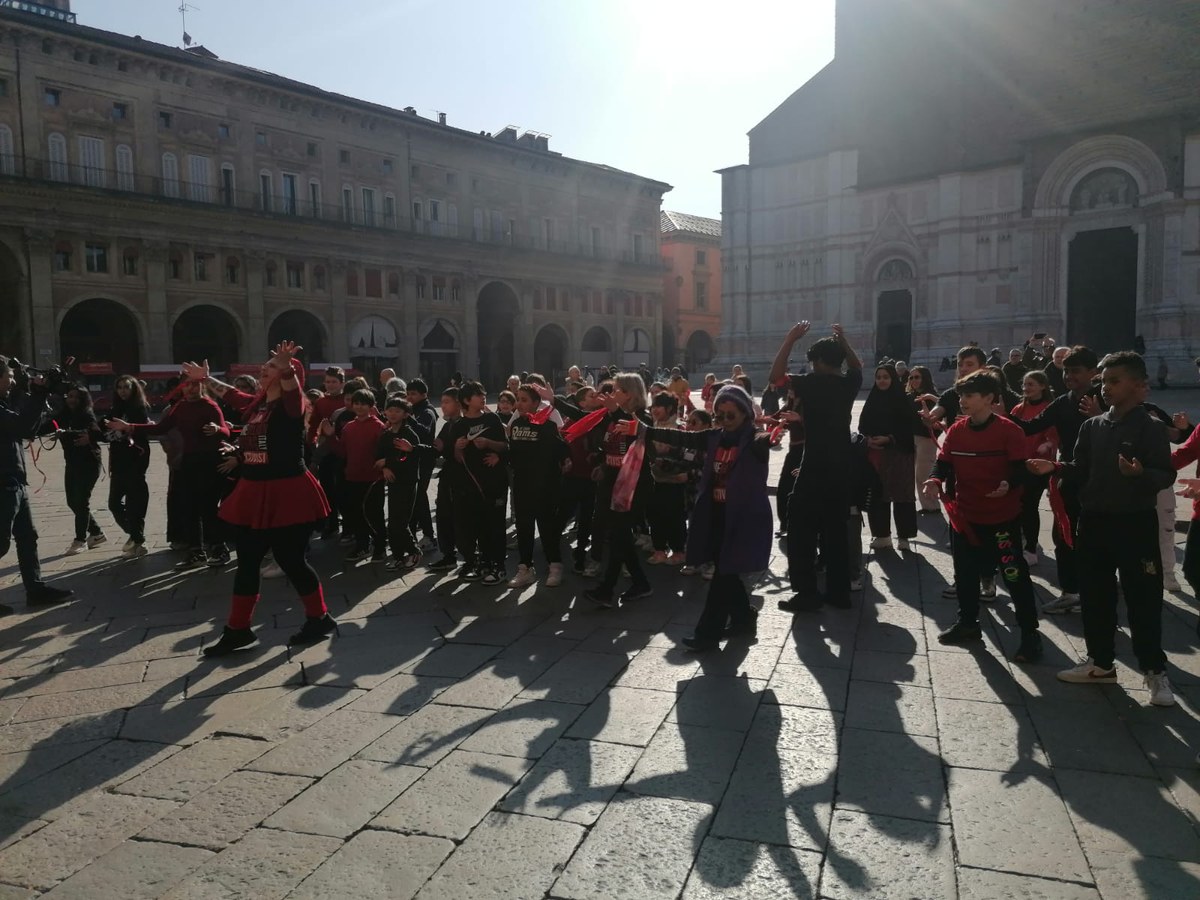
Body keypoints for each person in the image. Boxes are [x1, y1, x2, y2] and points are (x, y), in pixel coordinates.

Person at [1029, 352, 1176, 705]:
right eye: (1104, 381)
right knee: (1095, 595)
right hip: (1093, 521)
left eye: (1115, 381)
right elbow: (1081, 467)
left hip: (1134, 522)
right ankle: (1100, 662)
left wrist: (1140, 474)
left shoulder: (1150, 427)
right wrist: (1055, 467)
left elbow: (1165, 474)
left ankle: (1155, 671)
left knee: (1143, 597)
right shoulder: (1092, 426)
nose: (1106, 388)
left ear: (1139, 386)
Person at [191, 342, 336, 656]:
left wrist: (285, 368)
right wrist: (205, 378)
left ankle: (319, 617)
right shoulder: (258, 405)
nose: (262, 369)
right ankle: (238, 630)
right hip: (254, 491)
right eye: (267, 365)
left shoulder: (291, 406)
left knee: (292, 560)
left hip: (287, 493)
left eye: (269, 367)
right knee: (247, 563)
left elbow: (293, 392)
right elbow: (232, 394)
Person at [924, 370, 1043, 663]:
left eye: (969, 395)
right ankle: (968, 624)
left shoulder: (1009, 431)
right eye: (961, 395)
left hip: (1002, 520)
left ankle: (1030, 634)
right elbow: (943, 464)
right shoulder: (956, 430)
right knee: (965, 573)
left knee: (1014, 575)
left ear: (989, 398)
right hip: (965, 518)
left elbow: (1019, 470)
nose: (962, 401)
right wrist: (935, 480)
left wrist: (1008, 484)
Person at [647, 385, 772, 650]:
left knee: (722, 576)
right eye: (720, 415)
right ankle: (743, 618)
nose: (725, 421)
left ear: (745, 415)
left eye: (731, 415)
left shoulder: (753, 439)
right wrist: (645, 431)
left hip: (742, 517)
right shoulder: (714, 436)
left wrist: (768, 437)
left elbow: (763, 441)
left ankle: (708, 633)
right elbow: (680, 438)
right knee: (726, 571)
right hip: (716, 514)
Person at [768, 322, 863, 612]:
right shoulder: (849, 384)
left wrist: (789, 338)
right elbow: (857, 367)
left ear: (819, 362)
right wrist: (844, 340)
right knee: (835, 530)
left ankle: (807, 593)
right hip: (842, 465)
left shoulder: (811, 382)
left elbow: (775, 377)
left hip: (814, 463)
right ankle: (838, 592)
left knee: (800, 530)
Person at [1009, 346, 1102, 613]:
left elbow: (1123, 430)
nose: (1070, 376)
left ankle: (1094, 588)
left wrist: (1100, 418)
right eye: (1066, 371)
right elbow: (1030, 426)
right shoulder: (1062, 402)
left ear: (1093, 373)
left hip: (1099, 480)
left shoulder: (1103, 400)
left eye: (1076, 371)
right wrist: (1001, 415)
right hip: (1069, 475)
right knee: (1063, 536)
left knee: (1093, 538)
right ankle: (1072, 592)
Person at [112, 374, 230, 568]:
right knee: (189, 507)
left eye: (195, 385)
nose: (191, 389)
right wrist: (130, 427)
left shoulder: (210, 406)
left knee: (208, 507)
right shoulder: (180, 407)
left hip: (209, 460)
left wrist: (217, 429)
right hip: (189, 461)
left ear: (201, 386)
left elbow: (225, 430)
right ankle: (196, 552)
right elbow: (161, 427)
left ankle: (219, 549)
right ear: (182, 388)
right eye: (188, 385)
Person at [0, 357, 74, 614]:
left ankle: (35, 589)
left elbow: (28, 423)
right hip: (3, 483)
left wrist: (31, 390)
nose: (11, 380)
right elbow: (21, 425)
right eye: (8, 376)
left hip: (15, 480)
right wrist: (39, 391)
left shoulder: (4, 402)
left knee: (27, 537)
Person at [581, 373, 654, 608]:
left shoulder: (642, 418)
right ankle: (640, 584)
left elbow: (640, 435)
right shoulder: (613, 417)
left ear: (630, 393)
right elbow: (609, 444)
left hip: (634, 487)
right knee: (619, 536)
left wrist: (616, 412)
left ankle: (607, 590)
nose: (613, 394)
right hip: (614, 482)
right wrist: (603, 464)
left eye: (618, 390)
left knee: (619, 535)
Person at [446, 381, 509, 583]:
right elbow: (454, 458)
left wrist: (489, 444)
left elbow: (505, 446)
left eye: (483, 394)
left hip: (494, 482)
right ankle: (482, 562)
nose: (483, 397)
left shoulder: (492, 419)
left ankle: (498, 566)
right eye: (478, 395)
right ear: (466, 400)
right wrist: (458, 447)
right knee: (476, 525)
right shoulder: (459, 426)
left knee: (496, 525)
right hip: (470, 485)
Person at [507, 384, 567, 587]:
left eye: (524, 400)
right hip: (522, 484)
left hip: (545, 486)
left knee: (547, 527)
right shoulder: (515, 426)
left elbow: (562, 451)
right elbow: (512, 455)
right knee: (524, 527)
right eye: (518, 399)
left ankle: (555, 566)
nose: (519, 404)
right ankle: (525, 568)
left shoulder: (548, 425)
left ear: (535, 403)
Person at [858, 364, 919, 551]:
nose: (882, 380)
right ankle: (882, 535)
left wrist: (889, 438)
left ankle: (904, 537)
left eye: (886, 377)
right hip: (877, 454)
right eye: (878, 377)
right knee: (878, 496)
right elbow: (862, 425)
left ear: (893, 378)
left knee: (902, 497)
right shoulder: (872, 399)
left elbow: (909, 428)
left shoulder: (904, 399)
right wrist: (868, 440)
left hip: (900, 454)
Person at [325, 388, 386, 562]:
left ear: (371, 406)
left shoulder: (378, 427)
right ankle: (362, 546)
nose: (359, 407)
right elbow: (342, 451)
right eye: (356, 403)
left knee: (375, 514)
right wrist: (330, 437)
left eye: (363, 404)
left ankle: (380, 547)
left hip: (373, 478)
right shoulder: (349, 427)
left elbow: (384, 451)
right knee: (356, 514)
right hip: (352, 477)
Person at [1009, 371, 1058, 566]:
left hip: (1039, 465)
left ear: (1042, 386)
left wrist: (1047, 444)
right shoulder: (1019, 408)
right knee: (1017, 505)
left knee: (1029, 505)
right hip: (1019, 462)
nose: (1026, 388)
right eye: (1025, 384)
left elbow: (1054, 432)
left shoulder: (1050, 408)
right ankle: (1022, 540)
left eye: (1031, 384)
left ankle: (1030, 547)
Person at [375, 397, 425, 570]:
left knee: (400, 521)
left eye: (398, 411)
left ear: (405, 414)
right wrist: (384, 468)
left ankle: (413, 551)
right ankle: (397, 556)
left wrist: (387, 462)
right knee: (393, 521)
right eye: (390, 410)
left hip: (408, 482)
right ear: (385, 412)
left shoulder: (409, 434)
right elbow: (378, 457)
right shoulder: (386, 435)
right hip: (393, 482)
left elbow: (408, 458)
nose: (393, 414)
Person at [105, 376, 152, 558]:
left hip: (135, 460)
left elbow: (142, 431)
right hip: (118, 462)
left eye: (126, 387)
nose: (123, 390)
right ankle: (136, 536)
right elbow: (104, 429)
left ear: (133, 389)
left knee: (135, 503)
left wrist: (122, 430)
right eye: (120, 387)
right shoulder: (114, 408)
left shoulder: (139, 408)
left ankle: (138, 540)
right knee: (114, 503)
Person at [57, 385, 106, 555]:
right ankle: (97, 532)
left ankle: (80, 540)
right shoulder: (64, 414)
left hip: (89, 463)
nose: (72, 400)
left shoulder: (87, 414)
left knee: (81, 501)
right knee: (72, 502)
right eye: (70, 396)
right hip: (71, 463)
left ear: (83, 400)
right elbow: (49, 424)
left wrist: (70, 433)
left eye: (76, 397)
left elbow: (96, 432)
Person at [646, 392, 688, 565]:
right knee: (655, 515)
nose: (654, 410)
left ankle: (678, 550)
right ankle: (659, 549)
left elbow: (684, 456)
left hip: (674, 480)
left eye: (658, 406)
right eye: (653, 406)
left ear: (670, 408)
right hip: (654, 479)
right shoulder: (651, 427)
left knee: (674, 516)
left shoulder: (679, 429)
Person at [427, 387, 462, 572]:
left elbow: (460, 453)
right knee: (443, 515)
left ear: (458, 403)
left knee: (460, 517)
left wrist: (445, 448)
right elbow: (436, 447)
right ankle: (448, 554)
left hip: (461, 479)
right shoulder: (448, 425)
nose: (442, 406)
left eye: (446, 402)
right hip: (447, 477)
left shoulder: (463, 424)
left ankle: (470, 555)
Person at [310, 367, 346, 538]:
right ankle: (331, 523)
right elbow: (312, 424)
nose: (330, 385)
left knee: (343, 489)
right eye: (328, 382)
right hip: (325, 452)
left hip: (344, 452)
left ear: (342, 383)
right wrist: (310, 443)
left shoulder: (348, 402)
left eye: (334, 382)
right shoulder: (320, 402)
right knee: (327, 489)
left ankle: (348, 526)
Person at [905, 366, 941, 514]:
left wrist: (931, 399)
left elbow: (944, 410)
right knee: (917, 473)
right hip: (911, 437)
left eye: (917, 377)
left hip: (926, 438)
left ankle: (932, 506)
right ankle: (926, 504)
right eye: (911, 377)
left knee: (924, 473)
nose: (913, 380)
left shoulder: (931, 396)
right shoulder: (910, 396)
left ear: (924, 378)